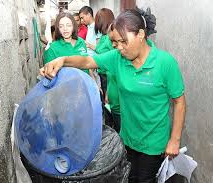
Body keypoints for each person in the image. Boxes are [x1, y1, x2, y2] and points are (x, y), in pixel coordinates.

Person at [40, 7, 186, 183]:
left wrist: (174, 140)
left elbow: (179, 102)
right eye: (115, 43)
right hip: (128, 136)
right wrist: (62, 60)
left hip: (154, 141)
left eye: (123, 42)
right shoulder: (118, 58)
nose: (119, 48)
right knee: (129, 176)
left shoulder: (165, 63)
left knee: (144, 179)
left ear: (140, 34)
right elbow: (88, 61)